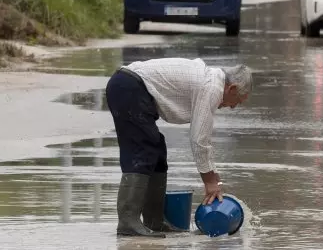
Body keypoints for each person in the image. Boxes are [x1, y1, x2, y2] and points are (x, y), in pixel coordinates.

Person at [105, 58, 253, 238]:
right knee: (142, 151)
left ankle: (155, 222)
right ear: (232, 88)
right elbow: (199, 139)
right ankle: (128, 222)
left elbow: (204, 139)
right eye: (236, 101)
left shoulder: (212, 81)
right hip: (129, 87)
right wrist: (209, 181)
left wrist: (214, 176)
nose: (232, 107)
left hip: (132, 88)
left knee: (157, 152)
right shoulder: (212, 87)